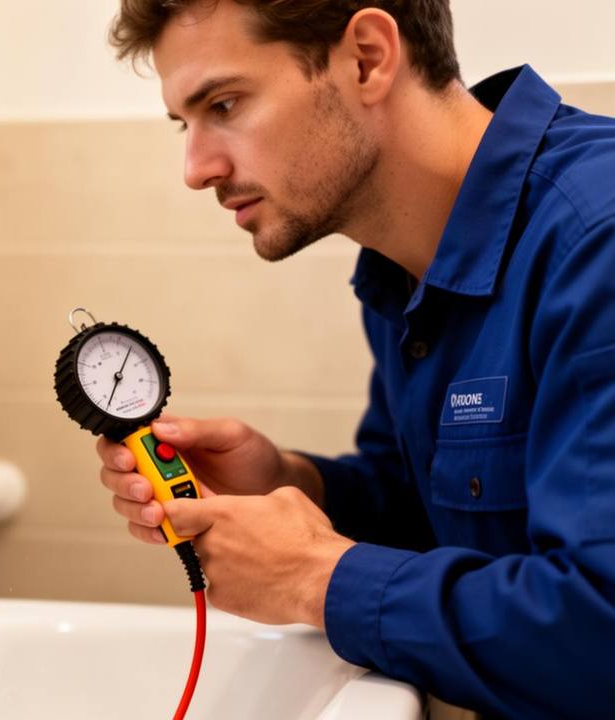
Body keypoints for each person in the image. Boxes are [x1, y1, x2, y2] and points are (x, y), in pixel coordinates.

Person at [94, 1, 615, 717]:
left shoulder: (599, 237)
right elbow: (430, 507)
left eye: (224, 103)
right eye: (188, 123)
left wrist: (316, 577)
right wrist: (293, 483)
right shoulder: (400, 268)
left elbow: (601, 628)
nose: (197, 168)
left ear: (367, 56)